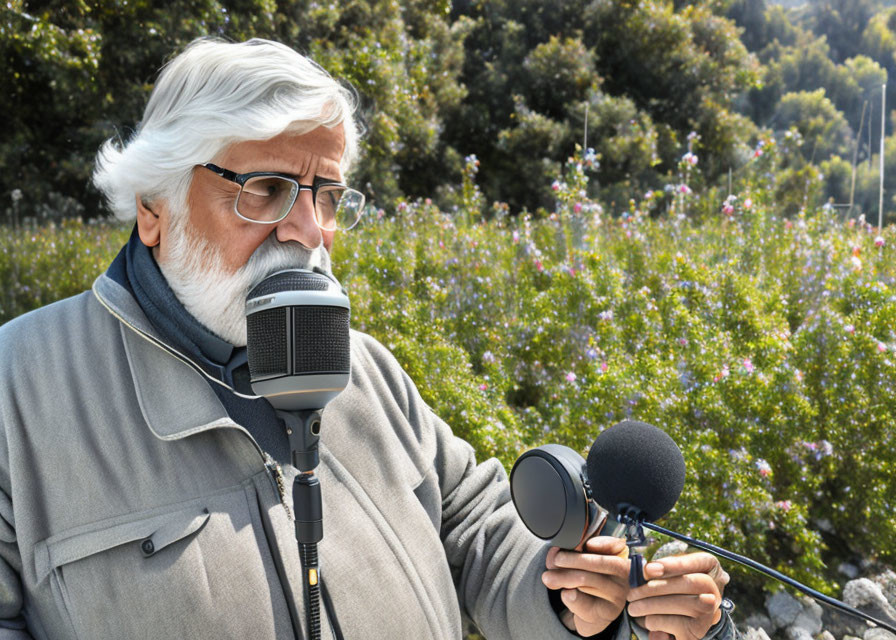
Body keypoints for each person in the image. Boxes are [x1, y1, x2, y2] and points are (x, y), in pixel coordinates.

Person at [0, 37, 736, 640]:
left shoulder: (363, 367)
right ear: (154, 206)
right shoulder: (19, 394)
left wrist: (571, 596)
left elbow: (478, 526)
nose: (309, 231)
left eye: (327, 196)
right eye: (264, 190)